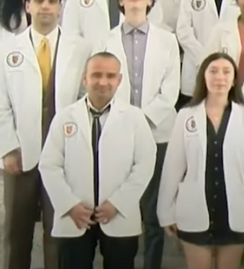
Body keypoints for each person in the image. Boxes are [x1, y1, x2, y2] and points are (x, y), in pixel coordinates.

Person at [0, 0, 91, 269]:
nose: (46, 6)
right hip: (21, 156)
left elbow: (86, 98)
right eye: (40, 1)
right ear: (28, 6)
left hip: (65, 156)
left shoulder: (80, 47)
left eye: (52, 1)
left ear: (60, 7)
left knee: (58, 233)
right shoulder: (7, 50)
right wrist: (8, 149)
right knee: (16, 233)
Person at [91, 0, 180, 269]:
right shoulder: (105, 40)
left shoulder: (167, 40)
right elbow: (100, 85)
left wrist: (141, 120)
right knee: (122, 205)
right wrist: (126, 121)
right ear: (120, 0)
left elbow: (170, 90)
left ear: (150, 0)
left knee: (153, 212)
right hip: (116, 133)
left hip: (158, 134)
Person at [38, 52, 157, 269]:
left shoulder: (134, 118)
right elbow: (49, 165)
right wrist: (70, 205)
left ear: (119, 80)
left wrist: (118, 203)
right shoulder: (65, 117)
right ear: (85, 78)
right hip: (75, 216)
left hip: (118, 215)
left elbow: (144, 164)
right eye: (96, 75)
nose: (103, 82)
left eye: (110, 76)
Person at [158, 53, 244, 269]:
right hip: (193, 211)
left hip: (235, 212)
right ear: (203, 77)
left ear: (234, 79)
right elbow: (173, 167)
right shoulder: (186, 115)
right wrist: (166, 211)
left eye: (226, 72)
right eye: (213, 71)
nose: (220, 77)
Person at [176, 0, 244, 106]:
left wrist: (224, 61)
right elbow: (183, 30)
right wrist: (206, 58)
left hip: (231, 65)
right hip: (196, 63)